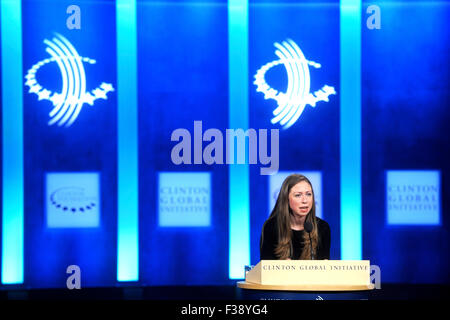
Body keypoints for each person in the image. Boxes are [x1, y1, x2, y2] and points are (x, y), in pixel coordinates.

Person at [260, 174, 330, 260]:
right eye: (298, 195)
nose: (305, 200)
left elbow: (325, 267)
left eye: (308, 194)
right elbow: (265, 269)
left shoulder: (322, 228)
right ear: (286, 199)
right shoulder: (271, 227)